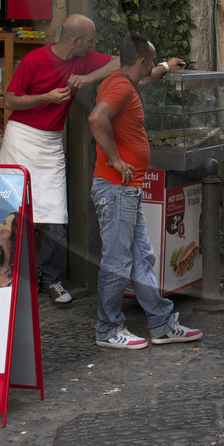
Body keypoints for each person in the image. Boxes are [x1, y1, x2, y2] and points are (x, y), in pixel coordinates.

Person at [87, 34, 201, 349]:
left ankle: (161, 323)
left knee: (141, 258)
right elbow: (96, 118)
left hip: (126, 189)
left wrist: (167, 66)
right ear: (141, 60)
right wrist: (115, 159)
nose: (152, 65)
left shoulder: (123, 82)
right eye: (151, 59)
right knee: (117, 261)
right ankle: (107, 329)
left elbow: (146, 78)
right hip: (116, 188)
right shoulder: (121, 87)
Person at [3, 14, 120, 305]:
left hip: (51, 141)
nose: (93, 45)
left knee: (56, 213)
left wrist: (88, 78)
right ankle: (13, 276)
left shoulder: (84, 59)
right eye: (90, 40)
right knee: (16, 211)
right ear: (76, 40)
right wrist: (47, 97)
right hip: (21, 138)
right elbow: (11, 101)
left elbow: (119, 62)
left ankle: (49, 278)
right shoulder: (33, 60)